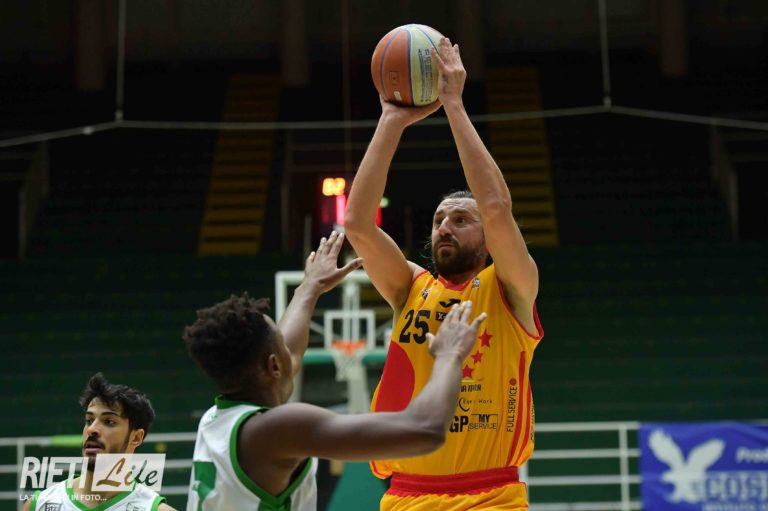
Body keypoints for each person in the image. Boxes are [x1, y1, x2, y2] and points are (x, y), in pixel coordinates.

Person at [344, 36, 544, 510]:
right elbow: (356, 223)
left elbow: (495, 207)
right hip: (406, 496)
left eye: (459, 219)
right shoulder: (410, 288)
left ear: (488, 239)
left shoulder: (510, 287)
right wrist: (391, 121)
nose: (444, 228)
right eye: (438, 220)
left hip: (490, 497)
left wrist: (453, 103)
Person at [182, 230, 487, 511]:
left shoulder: (216, 421)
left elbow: (290, 353)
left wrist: (310, 287)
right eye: (280, 347)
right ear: (273, 366)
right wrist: (449, 355)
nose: (289, 351)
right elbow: (425, 430)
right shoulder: (275, 430)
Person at [23, 373, 174, 511]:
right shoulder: (38, 505)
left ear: (136, 438)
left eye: (109, 422)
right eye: (89, 420)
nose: (92, 429)